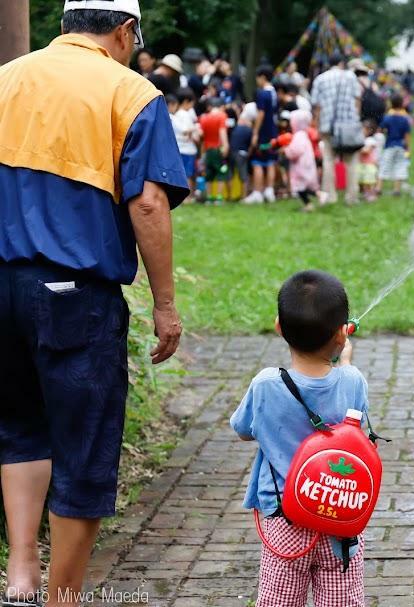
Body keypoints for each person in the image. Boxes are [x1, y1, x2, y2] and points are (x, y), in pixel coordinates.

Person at [0, 2, 187, 605]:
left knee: (19, 428)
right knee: (85, 446)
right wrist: (165, 304)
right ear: (126, 30)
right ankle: (64, 596)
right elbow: (149, 204)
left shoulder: (7, 78)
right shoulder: (130, 93)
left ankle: (22, 573)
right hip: (75, 298)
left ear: (65, 22)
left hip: (2, 286)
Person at [230, 270, 368, 607]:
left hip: (284, 517)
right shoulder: (353, 380)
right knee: (341, 600)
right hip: (338, 519)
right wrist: (345, 360)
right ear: (341, 334)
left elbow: (243, 429)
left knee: (280, 600)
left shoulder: (265, 384)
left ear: (279, 327)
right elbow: (356, 429)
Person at [311, 53, 362, 204]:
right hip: (348, 124)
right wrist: (356, 118)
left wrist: (317, 124)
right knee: (351, 161)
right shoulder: (350, 77)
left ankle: (329, 196)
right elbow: (357, 99)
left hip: (328, 125)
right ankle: (351, 196)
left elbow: (317, 105)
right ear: (341, 63)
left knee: (328, 160)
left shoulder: (320, 79)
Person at [244, 65, 279, 204]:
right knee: (270, 161)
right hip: (273, 132)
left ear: (263, 77)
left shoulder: (262, 93)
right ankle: (269, 191)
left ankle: (257, 192)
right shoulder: (274, 93)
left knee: (257, 162)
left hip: (263, 132)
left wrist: (255, 133)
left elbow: (261, 114)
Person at [284, 109, 321, 212]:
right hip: (306, 164)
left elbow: (296, 151)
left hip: (300, 167)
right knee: (304, 187)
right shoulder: (304, 135)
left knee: (300, 188)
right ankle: (319, 195)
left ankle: (308, 205)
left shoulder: (298, 136)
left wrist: (286, 151)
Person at [377, 94, 412, 197]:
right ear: (402, 104)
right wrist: (408, 148)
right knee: (400, 166)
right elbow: (407, 135)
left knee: (384, 166)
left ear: (391, 104)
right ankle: (396, 190)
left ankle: (378, 187)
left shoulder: (387, 118)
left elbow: (381, 129)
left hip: (389, 146)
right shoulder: (405, 119)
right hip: (400, 146)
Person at [198, 97, 229, 202]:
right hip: (218, 148)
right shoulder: (222, 116)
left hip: (207, 149)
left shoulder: (203, 117)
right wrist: (226, 146)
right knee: (221, 172)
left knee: (209, 174)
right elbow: (222, 132)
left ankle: (209, 197)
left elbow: (201, 135)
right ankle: (219, 198)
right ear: (220, 106)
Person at [171, 87, 200, 193]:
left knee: (183, 173)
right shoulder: (185, 114)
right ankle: (188, 195)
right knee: (188, 174)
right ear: (187, 101)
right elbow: (187, 131)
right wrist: (196, 129)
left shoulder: (177, 114)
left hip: (179, 148)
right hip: (187, 149)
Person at [229, 102, 256, 201]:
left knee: (230, 174)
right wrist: (250, 151)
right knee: (244, 176)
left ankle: (230, 196)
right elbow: (252, 144)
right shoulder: (249, 130)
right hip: (242, 153)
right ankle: (244, 196)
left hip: (232, 153)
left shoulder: (235, 129)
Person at [358, 119, 381, 202]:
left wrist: (357, 149)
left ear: (369, 130)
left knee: (368, 181)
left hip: (369, 165)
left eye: (363, 129)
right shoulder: (361, 140)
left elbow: (366, 151)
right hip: (361, 164)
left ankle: (371, 194)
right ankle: (364, 194)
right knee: (362, 180)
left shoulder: (371, 141)